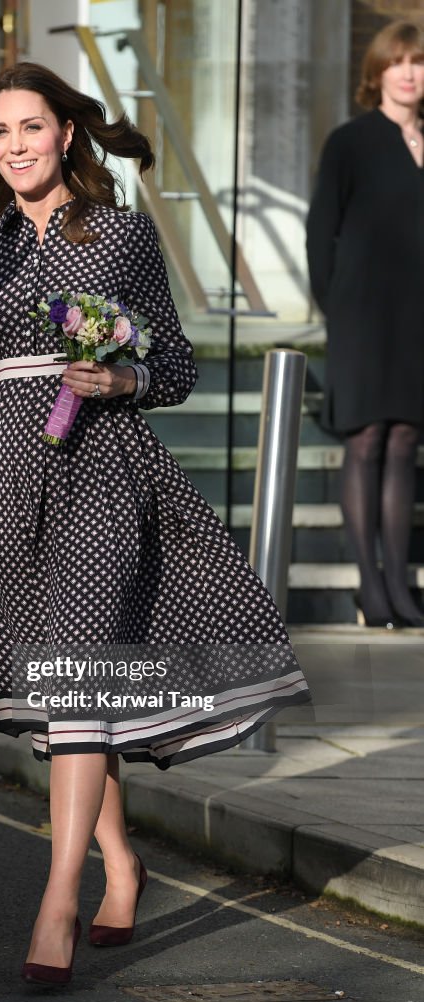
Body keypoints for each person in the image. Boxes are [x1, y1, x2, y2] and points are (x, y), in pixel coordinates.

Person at [0, 61, 309, 986]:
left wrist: (122, 378)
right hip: (13, 474)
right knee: (67, 685)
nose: (14, 147)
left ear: (67, 134)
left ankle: (57, 901)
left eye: (31, 128)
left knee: (83, 676)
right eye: (0, 132)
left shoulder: (122, 234)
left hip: (103, 469)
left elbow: (172, 362)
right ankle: (121, 862)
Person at [306, 19, 424, 629]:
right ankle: (369, 586)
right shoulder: (350, 141)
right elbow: (320, 232)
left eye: (418, 62)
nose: (408, 73)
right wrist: (337, 309)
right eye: (397, 62)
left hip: (417, 320)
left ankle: (400, 587)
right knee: (367, 439)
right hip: (361, 316)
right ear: (376, 72)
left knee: (405, 440)